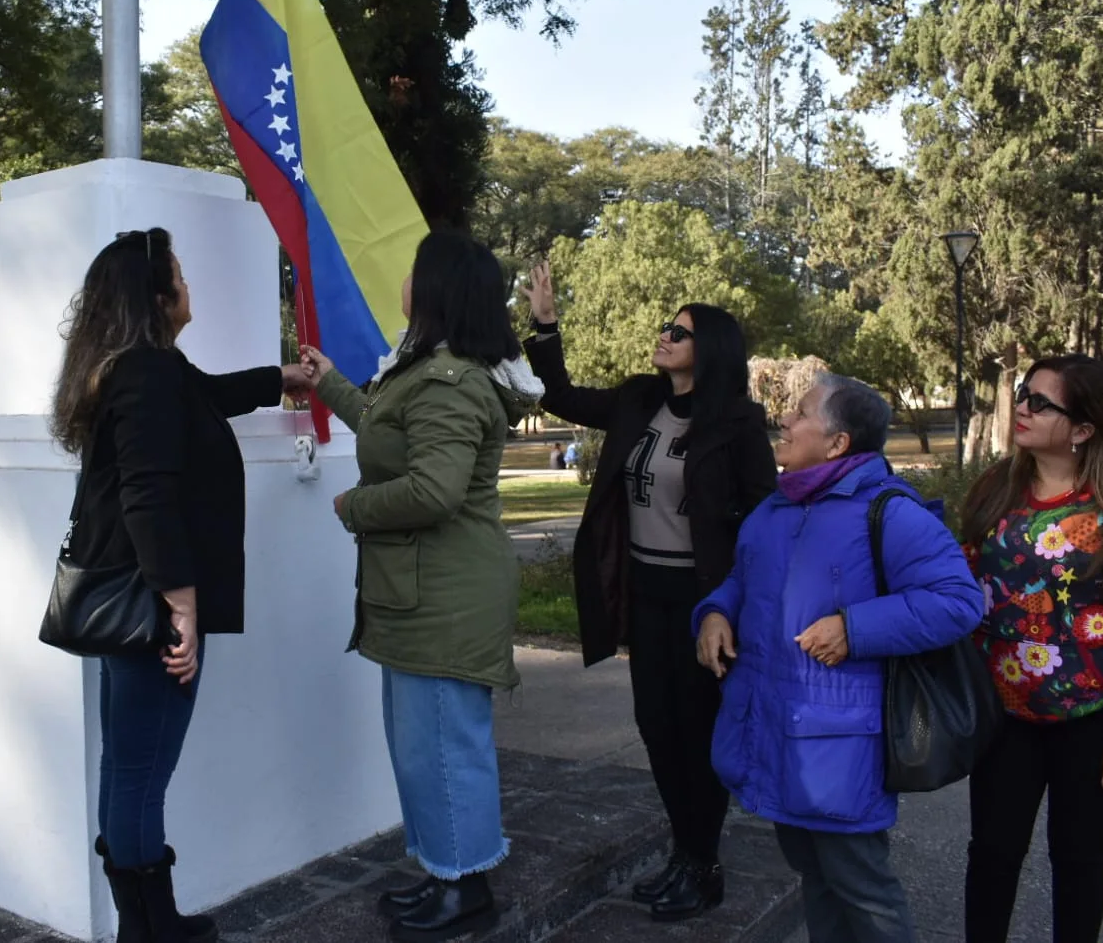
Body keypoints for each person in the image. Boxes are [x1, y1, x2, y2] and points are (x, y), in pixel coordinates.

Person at [50, 228, 311, 943]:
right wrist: (183, 608)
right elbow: (148, 497)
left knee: (125, 768)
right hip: (149, 607)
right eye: (181, 276)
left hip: (126, 603)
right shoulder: (149, 374)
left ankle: (147, 924)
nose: (189, 287)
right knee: (138, 776)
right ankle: (149, 930)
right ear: (158, 296)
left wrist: (279, 379)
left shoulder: (136, 369)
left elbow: (202, 397)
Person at [299, 229, 541, 943]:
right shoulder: (429, 372)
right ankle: (445, 871)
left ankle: (465, 889)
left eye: (412, 273)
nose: (402, 282)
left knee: (443, 745)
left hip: (445, 592)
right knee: (421, 745)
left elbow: (432, 491)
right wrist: (329, 382)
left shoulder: (451, 380)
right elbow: (386, 430)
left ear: (433, 290)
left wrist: (354, 508)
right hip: (420, 590)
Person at [519, 262, 778, 922]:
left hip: (703, 602)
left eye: (679, 333)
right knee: (654, 726)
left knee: (695, 732)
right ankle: (683, 851)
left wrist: (736, 602)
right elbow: (561, 396)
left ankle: (701, 861)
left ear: (708, 351)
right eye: (668, 328)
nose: (664, 336)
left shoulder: (738, 423)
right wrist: (544, 326)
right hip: (642, 591)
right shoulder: (638, 398)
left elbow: (763, 515)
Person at [694, 374, 983, 943]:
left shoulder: (887, 513)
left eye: (800, 413)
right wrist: (714, 612)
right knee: (815, 878)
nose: (784, 420)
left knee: (862, 890)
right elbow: (741, 580)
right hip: (773, 730)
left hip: (839, 747)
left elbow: (958, 601)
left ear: (837, 443)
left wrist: (856, 628)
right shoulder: (776, 508)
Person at [960, 355, 1103, 943]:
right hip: (1004, 715)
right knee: (992, 855)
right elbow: (963, 589)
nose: (1021, 408)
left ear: (1082, 429)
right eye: (1023, 394)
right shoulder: (996, 488)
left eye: (1040, 402)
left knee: (1077, 859)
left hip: (1091, 717)